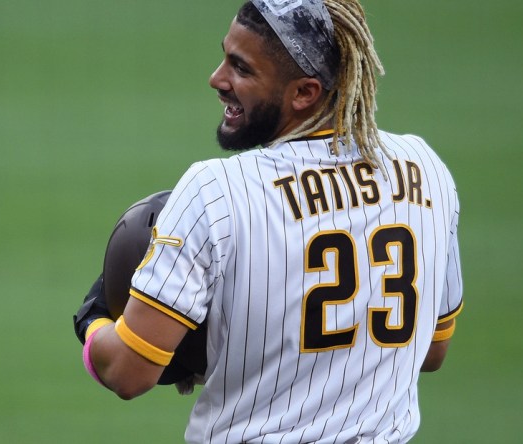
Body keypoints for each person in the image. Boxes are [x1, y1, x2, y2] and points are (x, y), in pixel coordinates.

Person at [74, 0, 463, 442]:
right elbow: (432, 349)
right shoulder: (425, 169)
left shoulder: (214, 190)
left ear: (304, 93)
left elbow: (128, 373)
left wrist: (97, 323)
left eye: (241, 69)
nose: (217, 79)